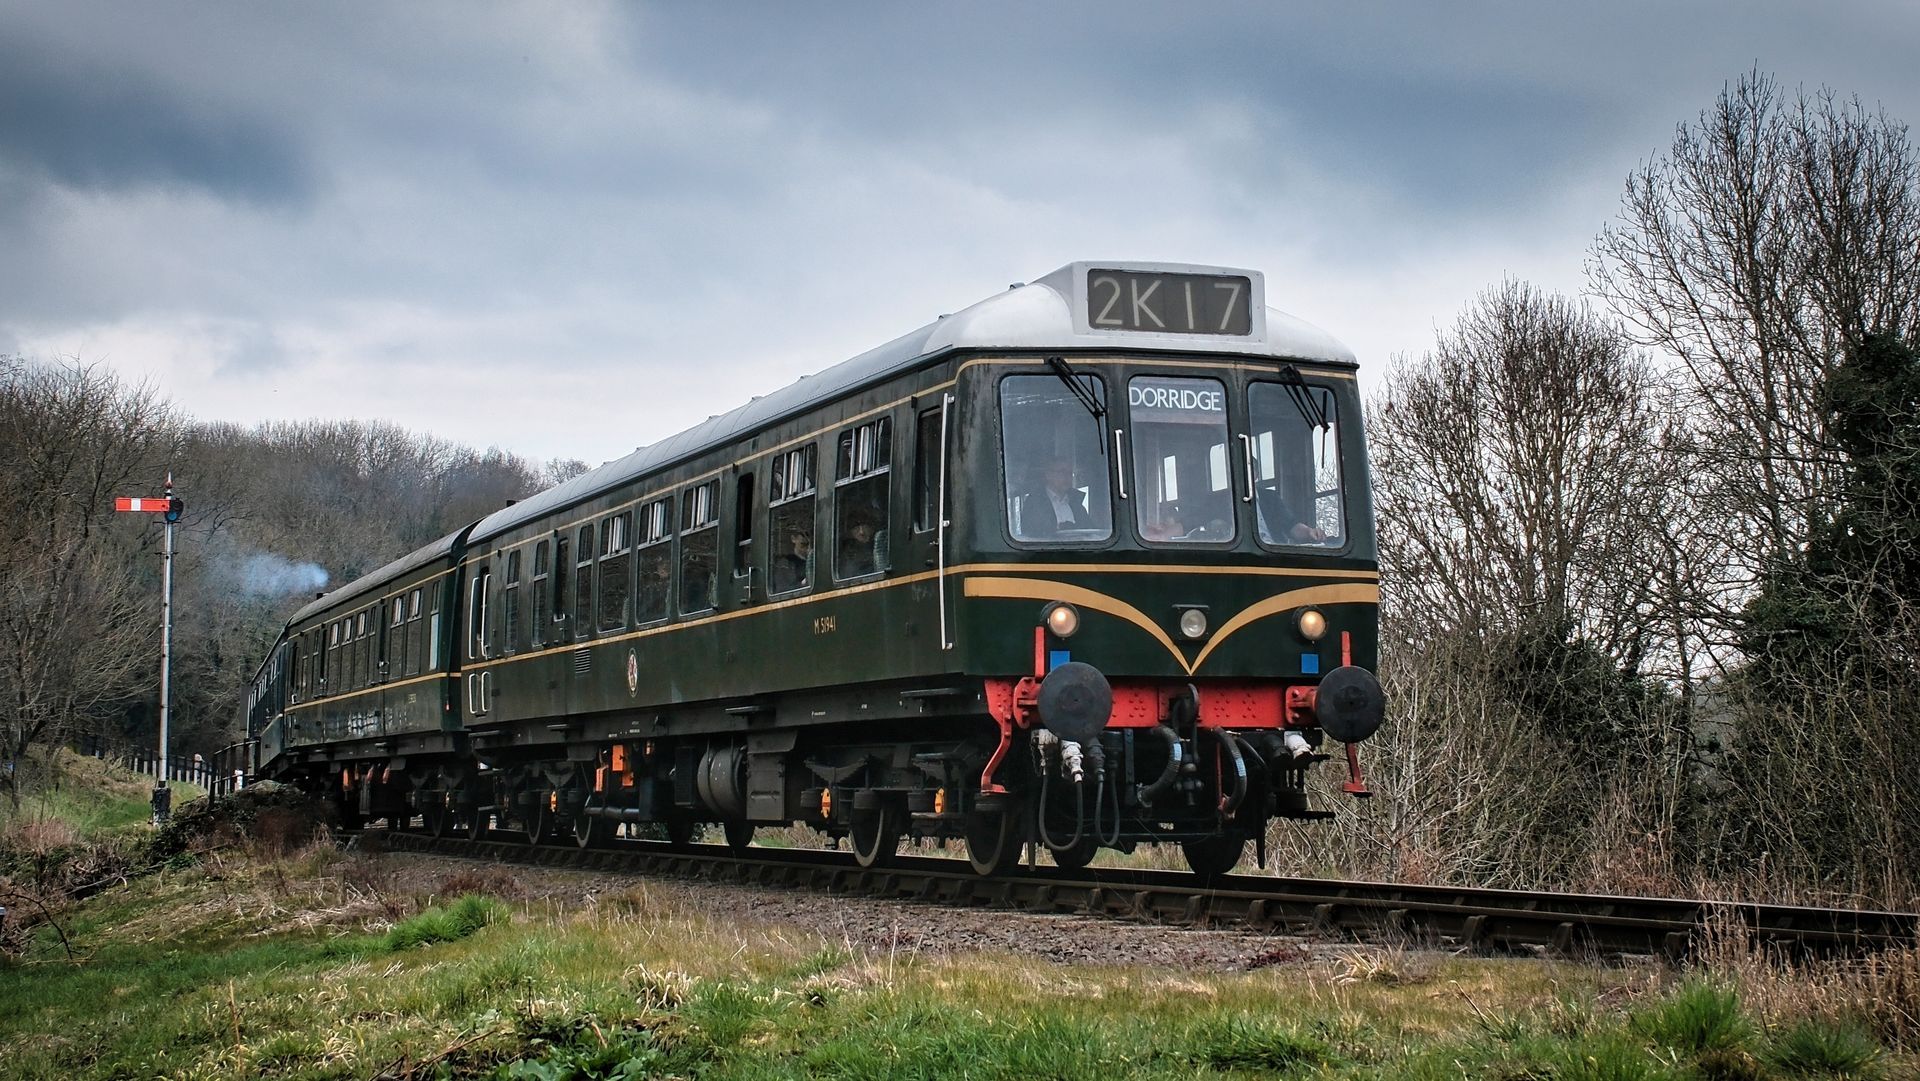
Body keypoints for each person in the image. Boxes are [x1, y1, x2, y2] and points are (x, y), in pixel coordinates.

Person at [1017, 458, 1093, 537]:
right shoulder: (1034, 503)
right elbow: (1031, 532)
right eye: (1062, 472)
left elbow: (1091, 532)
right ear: (1048, 475)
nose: (1067, 477)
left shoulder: (1076, 504)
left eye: (1070, 473)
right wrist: (1058, 531)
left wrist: (1073, 528)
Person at [772, 527, 813, 592]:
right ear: (793, 539)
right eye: (803, 544)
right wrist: (802, 584)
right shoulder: (785, 564)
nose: (807, 548)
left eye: (808, 544)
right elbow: (782, 590)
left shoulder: (814, 561)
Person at [838, 514, 878, 578]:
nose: (861, 532)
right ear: (850, 532)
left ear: (872, 528)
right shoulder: (845, 555)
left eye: (865, 526)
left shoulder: (880, 547)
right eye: (856, 528)